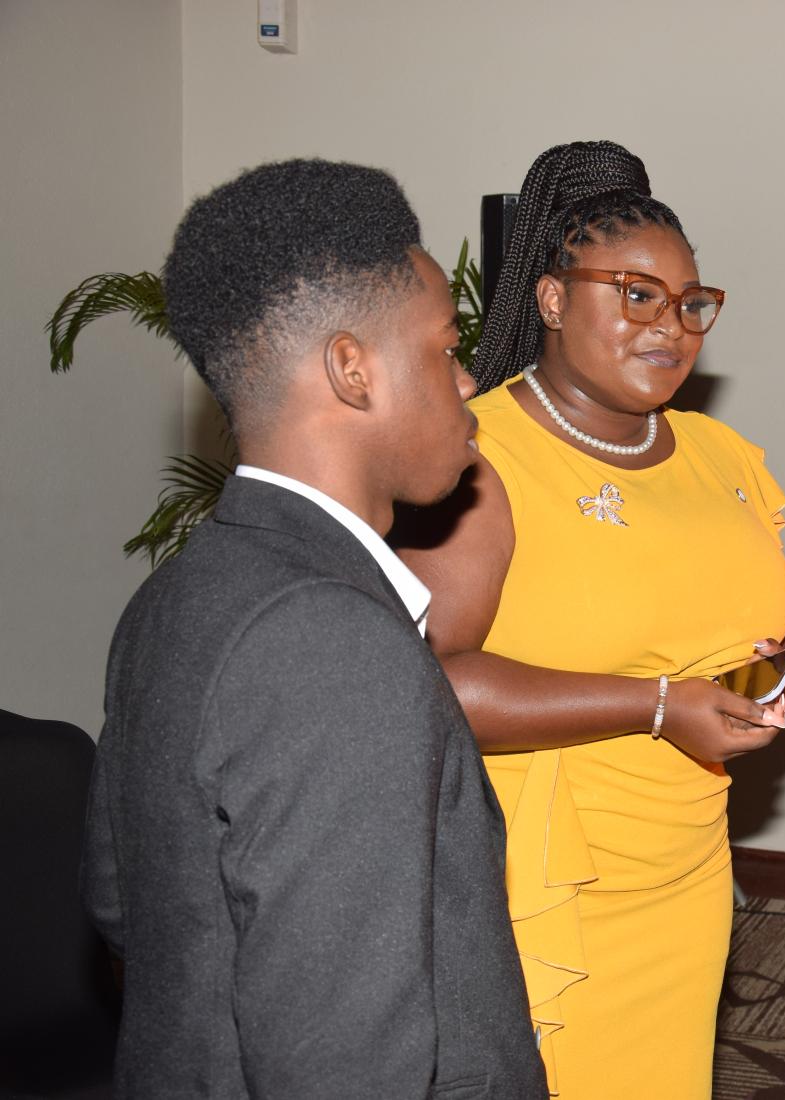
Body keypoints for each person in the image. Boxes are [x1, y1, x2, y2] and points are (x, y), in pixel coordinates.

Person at [79, 159, 544, 1098]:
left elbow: (122, 903)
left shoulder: (176, 594)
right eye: (446, 349)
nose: (465, 387)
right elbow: (345, 1062)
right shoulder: (334, 644)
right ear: (351, 369)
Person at [395, 140, 785, 1098]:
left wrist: (775, 675)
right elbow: (429, 680)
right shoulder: (482, 457)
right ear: (548, 299)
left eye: (689, 302)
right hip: (544, 895)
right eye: (635, 295)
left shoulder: (719, 453)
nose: (670, 325)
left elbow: (762, 628)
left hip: (689, 869)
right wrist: (659, 706)